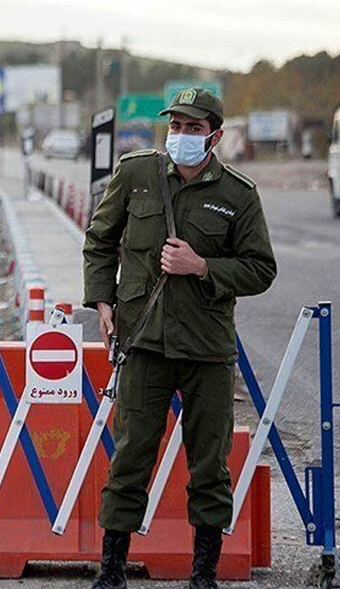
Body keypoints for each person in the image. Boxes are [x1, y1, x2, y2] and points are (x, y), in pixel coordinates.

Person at [82, 88, 277, 589]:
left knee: (209, 466)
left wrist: (202, 265)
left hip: (207, 349)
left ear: (214, 135)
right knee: (129, 458)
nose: (182, 136)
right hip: (144, 342)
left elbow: (261, 269)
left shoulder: (238, 195)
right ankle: (111, 572)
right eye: (176, 127)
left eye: (193, 129)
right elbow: (100, 239)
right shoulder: (137, 173)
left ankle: (203, 575)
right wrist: (102, 302)